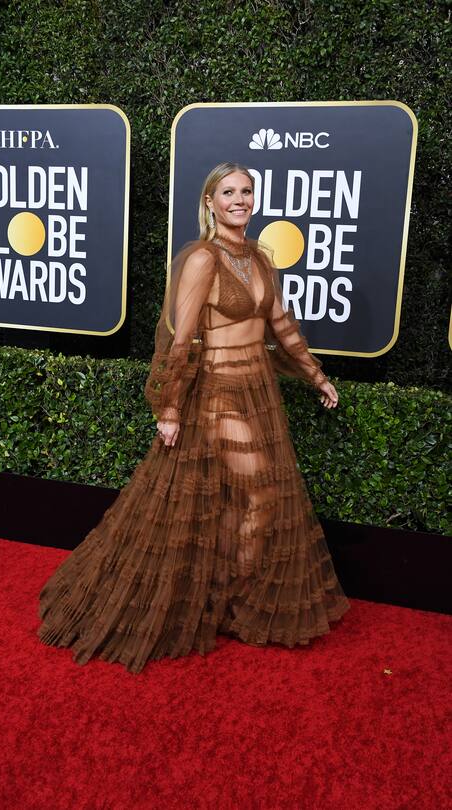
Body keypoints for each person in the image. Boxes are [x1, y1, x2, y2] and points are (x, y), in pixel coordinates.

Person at [37, 161, 350, 674]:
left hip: (258, 388)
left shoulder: (260, 259)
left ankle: (225, 593)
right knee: (260, 491)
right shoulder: (203, 259)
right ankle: (222, 594)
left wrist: (316, 376)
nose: (239, 200)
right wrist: (169, 406)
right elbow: (181, 339)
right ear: (210, 202)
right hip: (218, 391)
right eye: (228, 192)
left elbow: (282, 325)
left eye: (247, 191)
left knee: (240, 498)